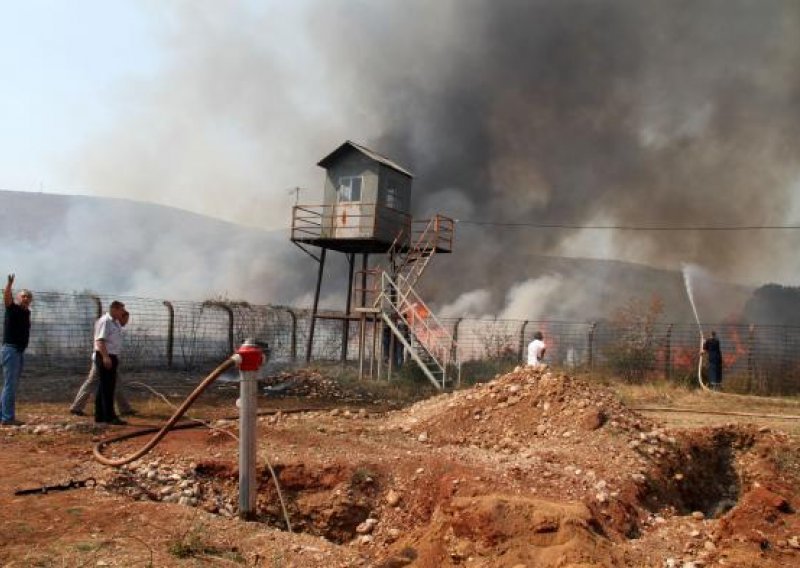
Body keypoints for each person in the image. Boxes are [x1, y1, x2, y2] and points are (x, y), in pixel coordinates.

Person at [70, 309, 135, 417]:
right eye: (125, 319)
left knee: (116, 382)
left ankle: (125, 408)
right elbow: (100, 341)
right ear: (120, 316)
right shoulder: (107, 323)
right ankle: (76, 407)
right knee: (92, 382)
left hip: (110, 359)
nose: (126, 322)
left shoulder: (115, 326)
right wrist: (105, 357)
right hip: (102, 359)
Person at [1, 274, 32, 426]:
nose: (26, 298)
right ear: (18, 298)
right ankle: (7, 418)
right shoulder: (12, 308)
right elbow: (6, 298)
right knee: (10, 385)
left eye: (28, 296)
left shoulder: (27, 313)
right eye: (23, 296)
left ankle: (4, 415)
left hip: (19, 351)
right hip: (11, 350)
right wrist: (9, 285)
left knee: (11, 384)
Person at [93, 300, 127, 425]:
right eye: (121, 310)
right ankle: (110, 416)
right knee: (108, 387)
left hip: (112, 355)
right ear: (115, 309)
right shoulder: (105, 321)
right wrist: (106, 357)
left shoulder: (115, 322)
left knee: (104, 386)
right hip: (105, 355)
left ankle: (100, 415)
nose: (123, 313)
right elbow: (100, 341)